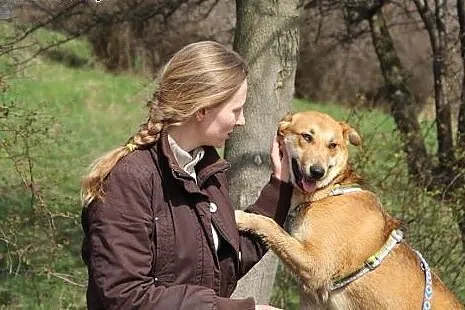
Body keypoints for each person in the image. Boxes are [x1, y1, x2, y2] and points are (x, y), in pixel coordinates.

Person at [80, 41, 292, 310]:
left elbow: (229, 260)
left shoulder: (207, 172)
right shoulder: (129, 180)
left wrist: (280, 185)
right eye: (236, 110)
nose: (242, 121)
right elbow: (124, 297)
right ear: (203, 110)